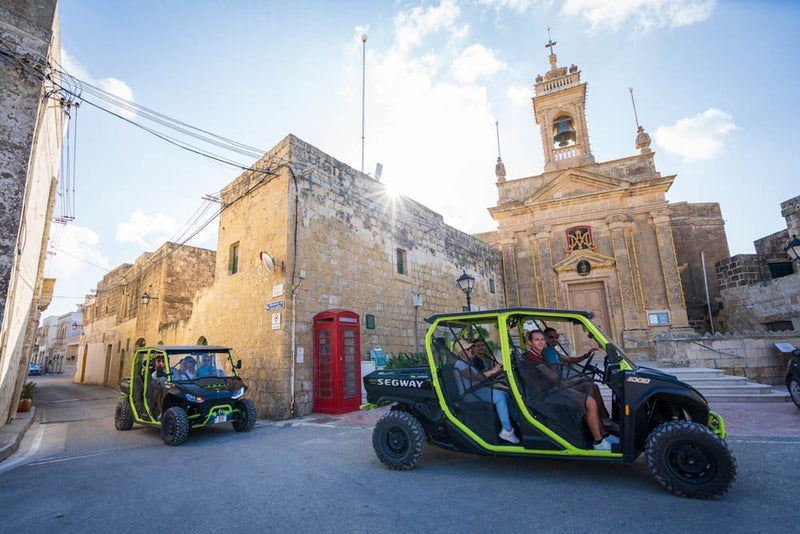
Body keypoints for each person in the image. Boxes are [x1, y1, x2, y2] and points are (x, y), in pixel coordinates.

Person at [523, 330, 615, 450]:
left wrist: (578, 375)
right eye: (536, 340)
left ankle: (602, 428)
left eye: (542, 339)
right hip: (544, 395)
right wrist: (572, 382)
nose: (541, 342)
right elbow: (553, 378)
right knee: (590, 402)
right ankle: (599, 442)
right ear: (529, 342)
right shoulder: (532, 357)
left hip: (553, 388)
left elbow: (558, 374)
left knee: (589, 386)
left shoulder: (541, 354)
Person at [543, 327, 618, 432]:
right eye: (551, 337)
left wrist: (585, 356)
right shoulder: (548, 352)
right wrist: (569, 381)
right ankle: (601, 424)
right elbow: (554, 375)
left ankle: (604, 420)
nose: (554, 339)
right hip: (557, 387)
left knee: (593, 386)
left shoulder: (552, 351)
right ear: (545, 338)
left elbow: (569, 359)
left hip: (560, 383)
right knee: (590, 387)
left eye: (556, 337)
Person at [456, 340, 520, 445]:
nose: (470, 350)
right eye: (468, 349)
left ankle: (517, 421)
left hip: (477, 390)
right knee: (499, 396)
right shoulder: (460, 364)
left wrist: (498, 370)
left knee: (505, 394)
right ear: (461, 352)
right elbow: (475, 377)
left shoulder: (468, 362)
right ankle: (507, 430)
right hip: (469, 394)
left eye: (470, 348)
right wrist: (493, 371)